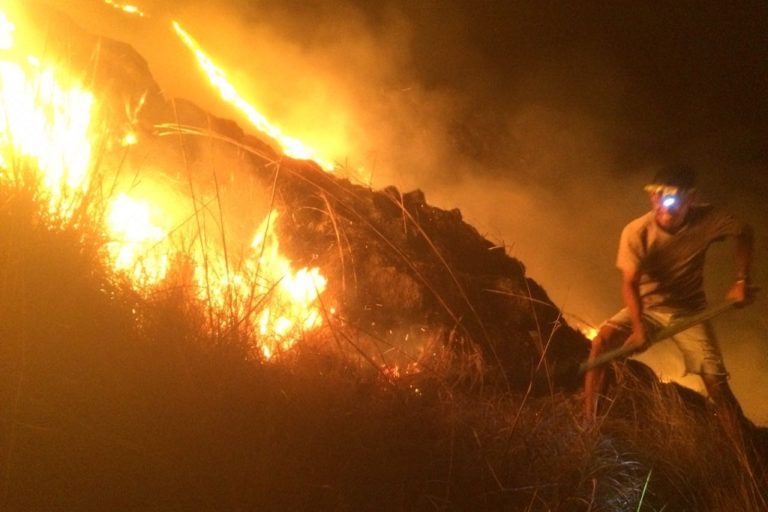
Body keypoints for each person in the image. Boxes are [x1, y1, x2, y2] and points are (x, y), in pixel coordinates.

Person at [583, 165, 754, 437]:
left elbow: (743, 232)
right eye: (655, 194)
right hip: (646, 307)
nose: (662, 203)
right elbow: (630, 283)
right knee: (601, 343)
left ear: (691, 198)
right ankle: (588, 427)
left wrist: (741, 280)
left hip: (688, 312)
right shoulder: (637, 232)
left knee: (717, 385)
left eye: (671, 196)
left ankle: (744, 456)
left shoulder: (708, 219)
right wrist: (639, 328)